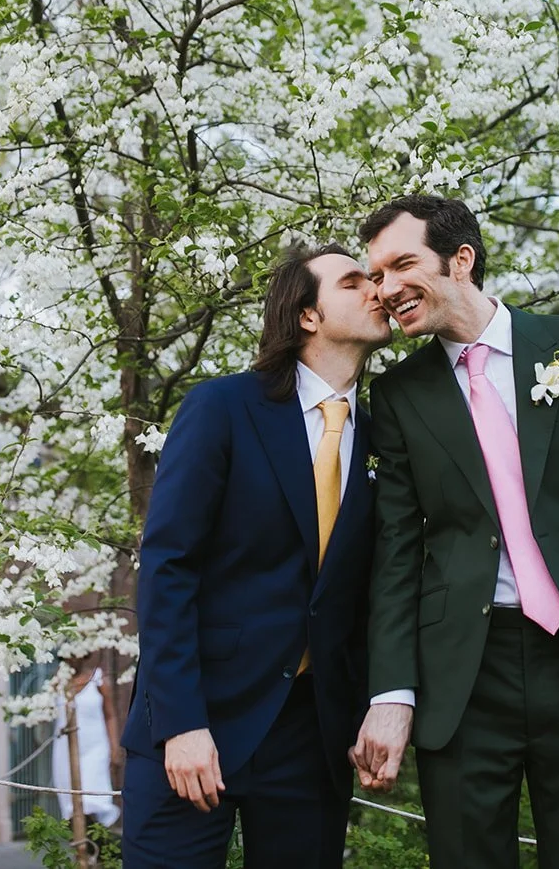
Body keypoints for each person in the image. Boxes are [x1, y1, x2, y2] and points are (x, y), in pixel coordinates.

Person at [351, 196, 559, 868]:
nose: (385, 288)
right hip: (461, 673)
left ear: (460, 260)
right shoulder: (400, 395)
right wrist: (392, 692)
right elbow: (396, 554)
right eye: (376, 275)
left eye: (402, 265)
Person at [120, 244, 392, 869]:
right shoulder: (222, 407)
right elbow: (168, 566)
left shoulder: (383, 436)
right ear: (307, 315)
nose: (376, 290)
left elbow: (376, 587)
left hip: (312, 735)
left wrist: (375, 704)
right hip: (197, 718)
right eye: (353, 282)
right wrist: (180, 724)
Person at [54, 660, 123, 831]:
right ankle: (80, 842)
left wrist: (114, 747)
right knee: (70, 801)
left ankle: (96, 839)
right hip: (64, 749)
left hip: (95, 747)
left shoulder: (98, 679)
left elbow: (110, 715)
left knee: (91, 799)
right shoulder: (58, 680)